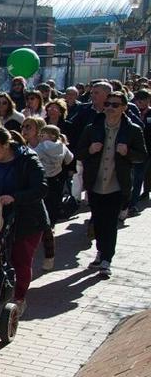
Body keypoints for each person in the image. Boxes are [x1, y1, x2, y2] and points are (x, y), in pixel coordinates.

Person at [0, 127, 48, 317]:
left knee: (21, 260)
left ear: (6, 145)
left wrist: (15, 197)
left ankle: (19, 298)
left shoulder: (27, 160)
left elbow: (41, 188)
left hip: (27, 220)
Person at [75, 89, 147, 276]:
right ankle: (100, 252)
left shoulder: (132, 130)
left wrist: (127, 153)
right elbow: (79, 153)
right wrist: (90, 149)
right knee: (98, 221)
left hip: (117, 184)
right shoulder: (93, 128)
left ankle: (107, 258)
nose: (110, 108)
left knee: (110, 223)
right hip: (95, 183)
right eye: (107, 104)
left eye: (115, 105)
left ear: (123, 108)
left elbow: (142, 156)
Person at [34, 124, 74, 271]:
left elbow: (33, 155)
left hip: (44, 179)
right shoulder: (62, 147)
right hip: (56, 179)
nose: (41, 137)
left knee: (42, 207)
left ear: (51, 136)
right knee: (52, 207)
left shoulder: (42, 146)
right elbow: (70, 159)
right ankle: (51, 225)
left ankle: (45, 229)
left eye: (43, 134)